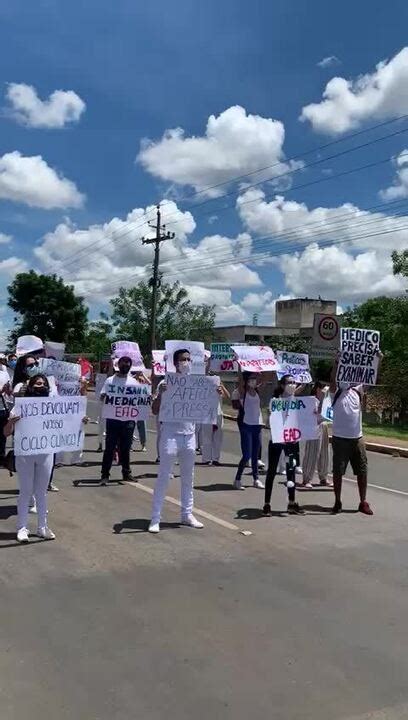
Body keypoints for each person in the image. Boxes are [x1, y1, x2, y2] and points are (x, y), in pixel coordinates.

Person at [148, 348, 213, 534]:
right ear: (175, 363)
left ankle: (187, 514)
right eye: (183, 359)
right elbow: (154, 410)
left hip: (189, 436)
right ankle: (155, 518)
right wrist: (161, 394)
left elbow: (208, 403)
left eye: (188, 359)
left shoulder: (195, 383)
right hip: (170, 434)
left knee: (188, 477)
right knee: (163, 477)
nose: (187, 362)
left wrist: (214, 391)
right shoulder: (166, 382)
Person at [5, 375, 58, 543]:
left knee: (41, 492)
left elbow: (64, 423)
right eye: (37, 384)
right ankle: (22, 527)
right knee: (26, 491)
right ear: (30, 386)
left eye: (43, 384)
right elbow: (6, 432)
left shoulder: (53, 406)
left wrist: (79, 420)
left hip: (45, 453)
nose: (40, 386)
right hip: (25, 454)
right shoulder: (20, 407)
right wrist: (11, 423)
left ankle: (42, 527)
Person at [329, 355, 377, 515]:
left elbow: (372, 379)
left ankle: (363, 502)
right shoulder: (335, 392)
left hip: (357, 438)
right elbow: (332, 380)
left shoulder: (358, 390)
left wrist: (378, 360)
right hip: (340, 438)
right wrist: (337, 363)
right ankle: (337, 502)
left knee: (362, 471)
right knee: (338, 472)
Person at [263, 375, 305, 515]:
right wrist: (270, 416)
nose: (293, 385)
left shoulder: (296, 401)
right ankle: (267, 504)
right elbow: (270, 422)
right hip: (277, 441)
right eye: (289, 383)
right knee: (272, 472)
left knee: (291, 472)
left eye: (294, 383)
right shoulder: (275, 401)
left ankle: (291, 503)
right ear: (282, 385)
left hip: (291, 442)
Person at [99, 356, 138, 485]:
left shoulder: (134, 383)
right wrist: (104, 396)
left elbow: (139, 400)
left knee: (126, 448)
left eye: (128, 363)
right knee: (110, 448)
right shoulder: (110, 381)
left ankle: (126, 473)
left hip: (128, 420)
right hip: (113, 419)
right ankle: (105, 474)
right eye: (123, 363)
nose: (125, 365)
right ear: (118, 364)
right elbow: (102, 397)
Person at [232, 371, 265, 491]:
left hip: (257, 425)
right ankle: (237, 479)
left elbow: (266, 378)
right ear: (246, 381)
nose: (254, 381)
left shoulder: (257, 391)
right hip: (246, 425)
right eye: (251, 379)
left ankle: (256, 479)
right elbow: (240, 381)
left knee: (255, 454)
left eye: (255, 379)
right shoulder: (242, 392)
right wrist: (241, 365)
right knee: (247, 455)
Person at [301, 381, 331, 488]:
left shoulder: (327, 401)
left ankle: (323, 477)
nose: (325, 390)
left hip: (324, 425)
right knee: (312, 453)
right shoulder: (312, 400)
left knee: (324, 452)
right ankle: (307, 478)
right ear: (317, 389)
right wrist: (322, 400)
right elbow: (317, 412)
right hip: (314, 426)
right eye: (322, 388)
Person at [201, 379, 230, 466]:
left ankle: (215, 459)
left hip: (218, 414)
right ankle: (206, 459)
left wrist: (222, 387)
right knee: (207, 437)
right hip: (206, 414)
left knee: (218, 437)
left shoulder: (219, 388)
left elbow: (228, 397)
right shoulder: (204, 387)